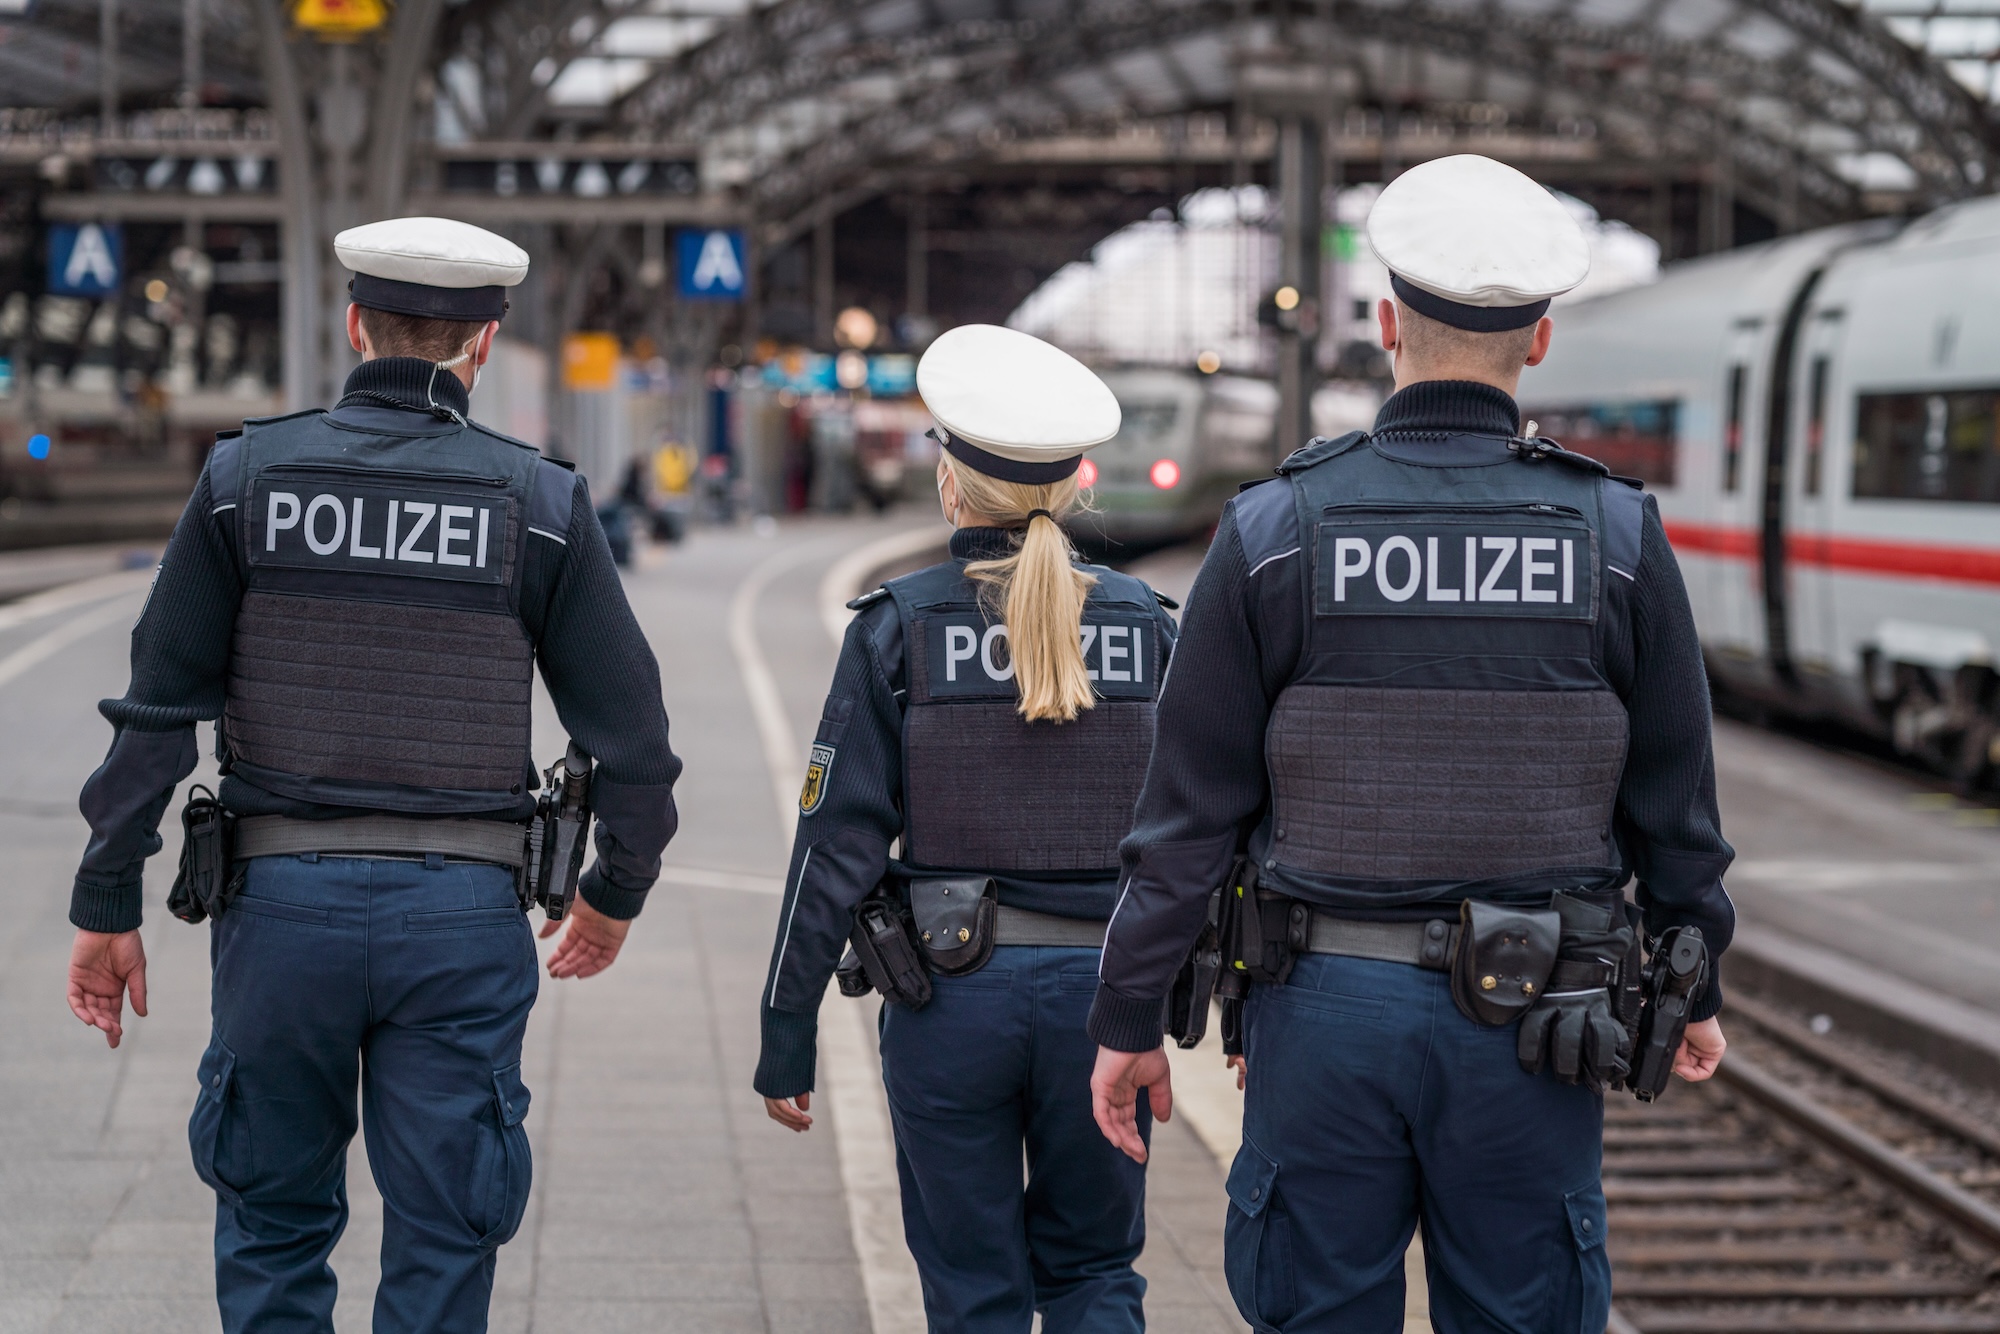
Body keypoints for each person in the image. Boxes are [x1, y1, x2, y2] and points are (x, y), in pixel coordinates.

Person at [1086, 154, 1736, 1333]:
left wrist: (1130, 1015)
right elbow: (1674, 806)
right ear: (1537, 341)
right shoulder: (1616, 536)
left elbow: (1184, 816)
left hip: (1319, 1013)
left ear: (1385, 325)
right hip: (1537, 1019)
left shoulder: (1276, 527)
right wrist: (1694, 975)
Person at [64, 216, 682, 1334]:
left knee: (271, 1222)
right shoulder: (539, 504)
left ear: (355, 327)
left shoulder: (244, 480)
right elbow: (633, 738)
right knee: (448, 1230)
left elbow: (156, 713)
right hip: (461, 923)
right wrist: (614, 887)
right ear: (482, 346)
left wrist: (107, 898)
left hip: (278, 912)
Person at [754, 323, 1181, 1334]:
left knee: (972, 1292)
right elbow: (1203, 829)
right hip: (1105, 1004)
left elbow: (834, 846)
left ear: (950, 483)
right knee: (1094, 1273)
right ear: (1074, 486)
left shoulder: (896, 629)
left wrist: (786, 1025)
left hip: (949, 1002)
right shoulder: (1151, 627)